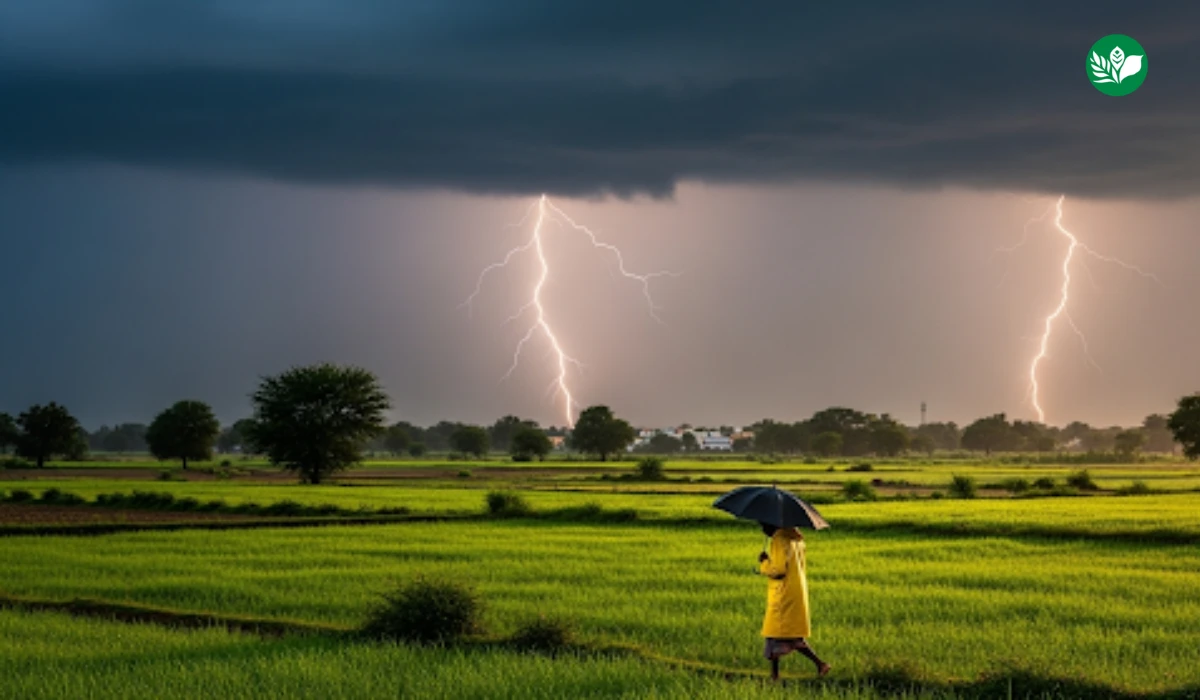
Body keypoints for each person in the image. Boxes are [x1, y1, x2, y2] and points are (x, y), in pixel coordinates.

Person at [758, 521, 830, 680]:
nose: (762, 529)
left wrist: (764, 563)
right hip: (795, 591)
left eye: (763, 525)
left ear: (772, 525)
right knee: (786, 635)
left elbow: (778, 571)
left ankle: (776, 676)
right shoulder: (796, 539)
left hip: (783, 593)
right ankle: (818, 665)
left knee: (777, 633)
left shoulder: (779, 540)